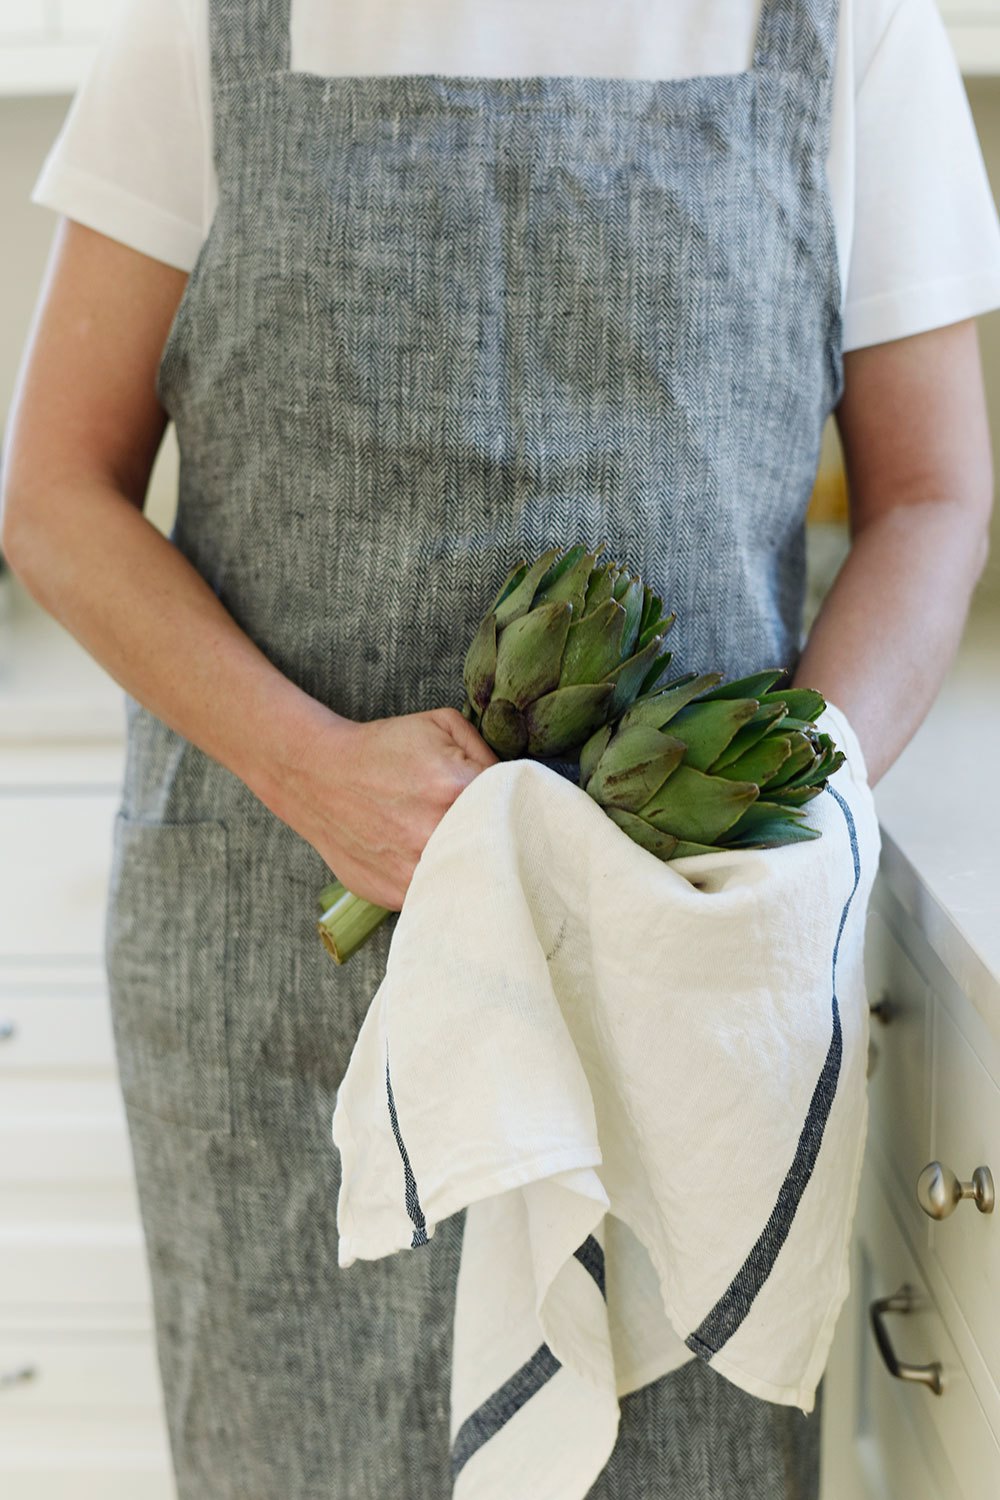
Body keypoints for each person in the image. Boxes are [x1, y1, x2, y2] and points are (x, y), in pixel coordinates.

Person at [1, 0, 997, 1495]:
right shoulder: (201, 27)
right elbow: (53, 493)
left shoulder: (850, 32)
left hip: (677, 998)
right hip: (278, 983)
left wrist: (782, 810)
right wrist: (305, 764)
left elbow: (933, 496)